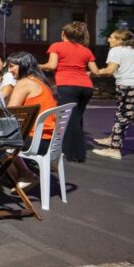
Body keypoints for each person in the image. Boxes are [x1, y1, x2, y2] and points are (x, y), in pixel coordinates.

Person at [39, 21, 98, 162]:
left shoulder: (57, 46)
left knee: (68, 119)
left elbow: (51, 65)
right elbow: (96, 71)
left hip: (66, 85)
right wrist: (83, 74)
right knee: (76, 118)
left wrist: (35, 65)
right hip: (86, 87)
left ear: (63, 34)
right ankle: (72, 148)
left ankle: (75, 153)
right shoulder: (86, 50)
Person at [91, 29, 134, 161]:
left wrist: (94, 72)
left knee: (122, 117)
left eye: (111, 37)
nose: (109, 40)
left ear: (120, 40)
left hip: (129, 87)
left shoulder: (116, 50)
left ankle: (114, 149)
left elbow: (110, 71)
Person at [7, 51, 57, 186]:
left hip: (35, 141)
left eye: (12, 66)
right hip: (50, 141)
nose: (10, 70)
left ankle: (25, 175)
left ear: (22, 65)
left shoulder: (24, 83)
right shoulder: (41, 81)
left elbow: (9, 113)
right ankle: (15, 177)